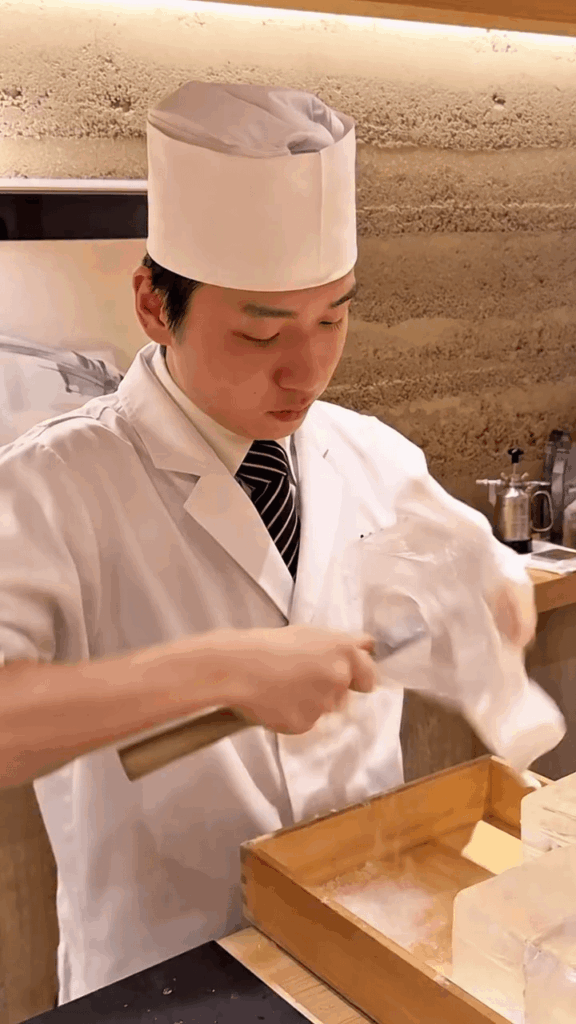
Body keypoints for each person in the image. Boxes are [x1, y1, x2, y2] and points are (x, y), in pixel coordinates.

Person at [0, 82, 534, 1003]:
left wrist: (486, 602)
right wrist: (221, 667)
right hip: (171, 976)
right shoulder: (50, 487)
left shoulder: (372, 452)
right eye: (261, 329)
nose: (308, 368)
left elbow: (489, 580)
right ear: (152, 303)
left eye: (332, 318)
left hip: (369, 928)